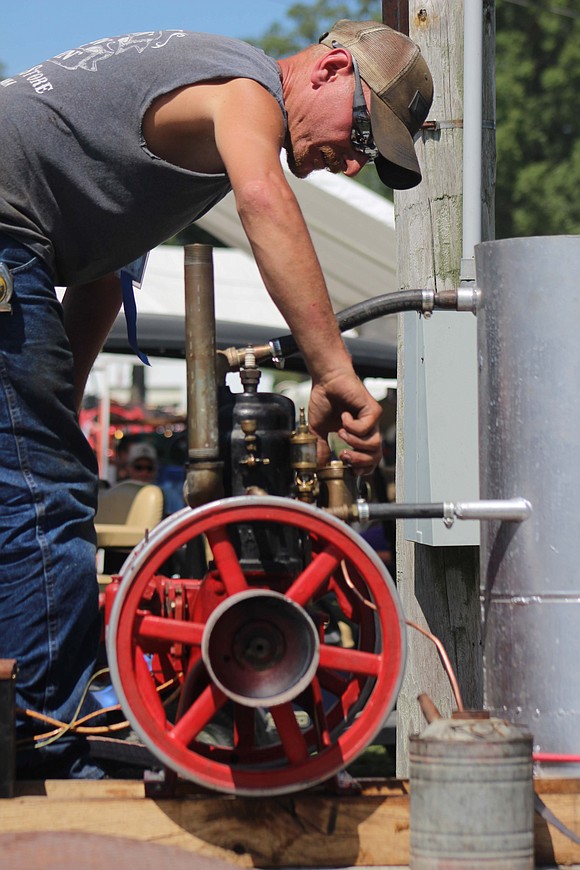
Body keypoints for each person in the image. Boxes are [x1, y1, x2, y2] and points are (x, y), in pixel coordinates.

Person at [0, 20, 433, 778]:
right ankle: (44, 744)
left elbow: (100, 285)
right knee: (40, 501)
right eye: (361, 130)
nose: (351, 160)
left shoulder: (160, 160)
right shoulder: (247, 86)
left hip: (19, 242)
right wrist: (333, 370)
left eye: (368, 157)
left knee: (37, 486)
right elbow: (263, 200)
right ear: (331, 68)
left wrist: (55, 427)